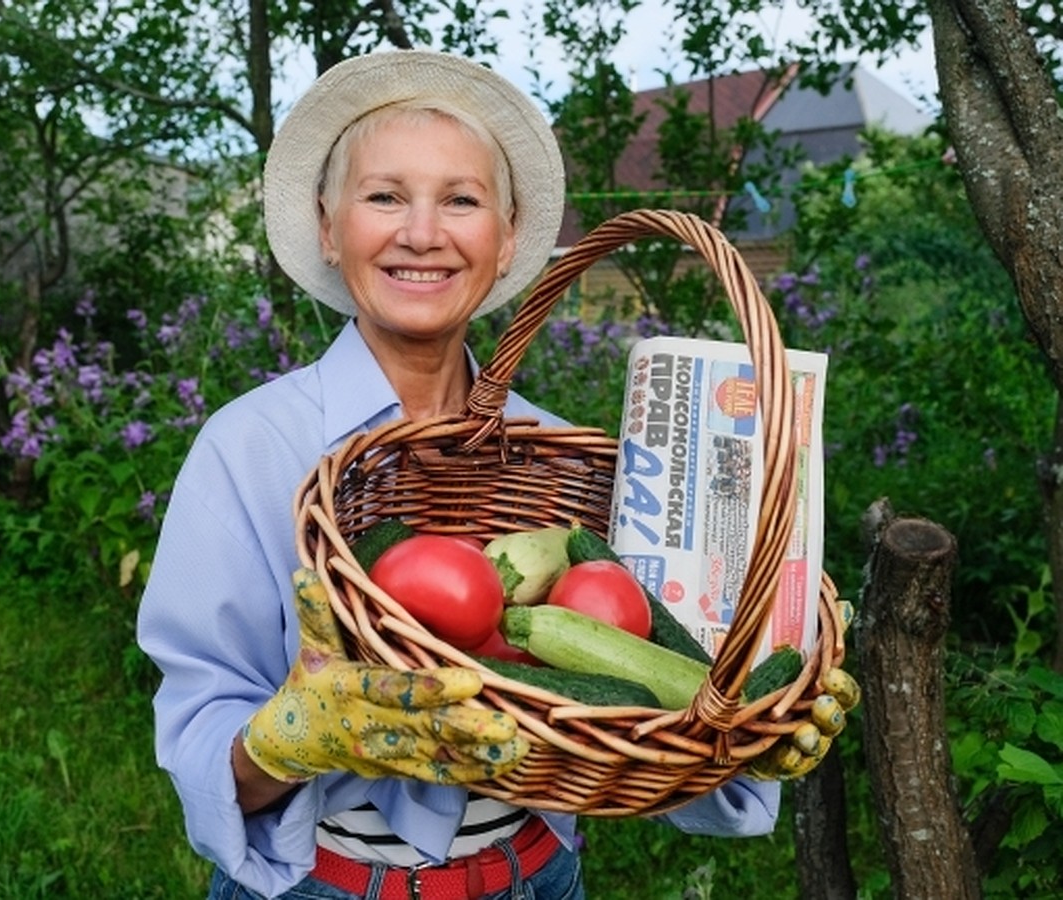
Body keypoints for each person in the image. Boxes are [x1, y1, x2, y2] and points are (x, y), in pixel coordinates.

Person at [137, 49, 791, 900]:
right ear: (330, 228)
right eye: (383, 196)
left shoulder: (563, 461)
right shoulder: (250, 448)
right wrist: (291, 737)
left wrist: (751, 728)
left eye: (461, 199)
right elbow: (202, 740)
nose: (421, 232)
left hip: (539, 878)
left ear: (508, 236)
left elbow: (641, 699)